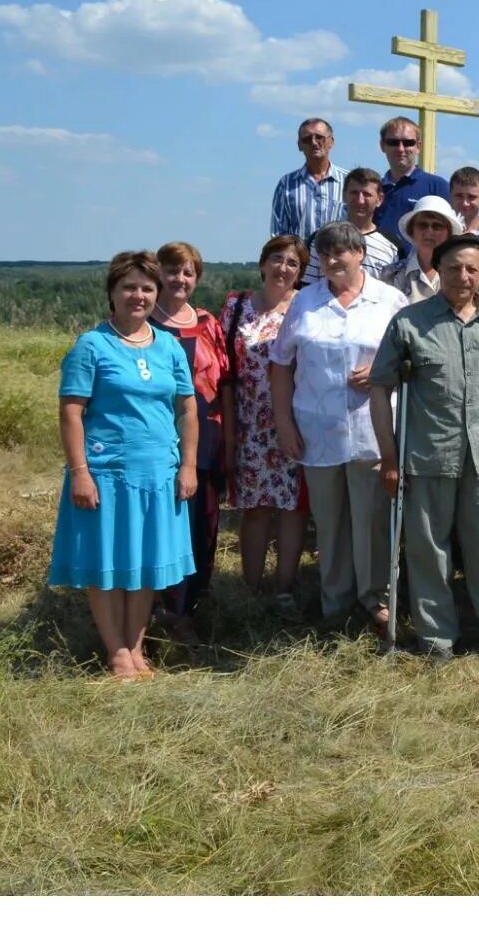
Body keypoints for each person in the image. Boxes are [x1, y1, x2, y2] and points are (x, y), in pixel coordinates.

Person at [369, 232, 479, 665]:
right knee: (430, 552)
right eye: (453, 268)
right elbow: (379, 388)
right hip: (428, 455)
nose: (462, 276)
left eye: (471, 268)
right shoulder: (409, 323)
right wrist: (389, 457)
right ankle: (436, 638)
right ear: (439, 272)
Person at [51, 251, 197, 681]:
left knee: (145, 564)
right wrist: (80, 472)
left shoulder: (168, 345)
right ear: (112, 293)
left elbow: (187, 409)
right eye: (129, 287)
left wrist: (187, 466)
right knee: (108, 566)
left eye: (147, 288)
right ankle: (115, 652)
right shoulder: (91, 346)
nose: (139, 295)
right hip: (106, 474)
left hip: (159, 475)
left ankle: (136, 648)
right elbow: (71, 412)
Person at [270, 221, 408, 630]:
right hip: (318, 429)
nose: (331, 260)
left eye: (340, 253)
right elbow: (281, 364)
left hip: (373, 430)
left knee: (372, 522)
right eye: (324, 254)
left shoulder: (390, 300)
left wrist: (386, 371)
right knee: (330, 523)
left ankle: (375, 599)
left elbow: (413, 359)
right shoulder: (305, 302)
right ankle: (335, 603)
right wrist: (284, 423)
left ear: (360, 254)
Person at [219, 235, 308, 613]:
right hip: (249, 423)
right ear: (262, 263)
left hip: (298, 421)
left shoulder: (306, 307)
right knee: (254, 508)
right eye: (277, 259)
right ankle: (251, 588)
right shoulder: (237, 307)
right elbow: (223, 371)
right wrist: (228, 433)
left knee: (293, 508)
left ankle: (285, 587)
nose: (283, 268)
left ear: (300, 273)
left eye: (292, 263)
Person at [151, 241, 229, 644]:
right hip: (157, 440)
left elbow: (225, 383)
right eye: (172, 270)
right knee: (163, 524)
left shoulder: (207, 321)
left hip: (209, 436)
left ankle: (189, 609)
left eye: (188, 272)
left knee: (202, 526)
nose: (180, 279)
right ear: (157, 273)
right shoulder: (140, 321)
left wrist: (230, 440)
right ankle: (157, 609)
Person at [270, 117, 345, 287]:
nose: (314, 142)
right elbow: (278, 234)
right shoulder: (287, 184)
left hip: (339, 271)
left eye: (319, 137)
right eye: (307, 139)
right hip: (299, 274)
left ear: (331, 142)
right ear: (299, 145)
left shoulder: (348, 182)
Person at [374, 116, 451, 258]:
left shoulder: (437, 187)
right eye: (393, 142)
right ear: (382, 146)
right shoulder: (372, 191)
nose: (401, 148)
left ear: (418, 147)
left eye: (408, 142)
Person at [384, 196, 463, 302]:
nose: (429, 231)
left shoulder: (461, 274)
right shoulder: (391, 274)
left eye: (437, 226)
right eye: (422, 225)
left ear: (449, 233)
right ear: (412, 231)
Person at [343, 166, 400, 278]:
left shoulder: (393, 245)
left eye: (367, 194)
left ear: (379, 199)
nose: (360, 200)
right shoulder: (321, 239)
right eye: (354, 193)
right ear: (344, 195)